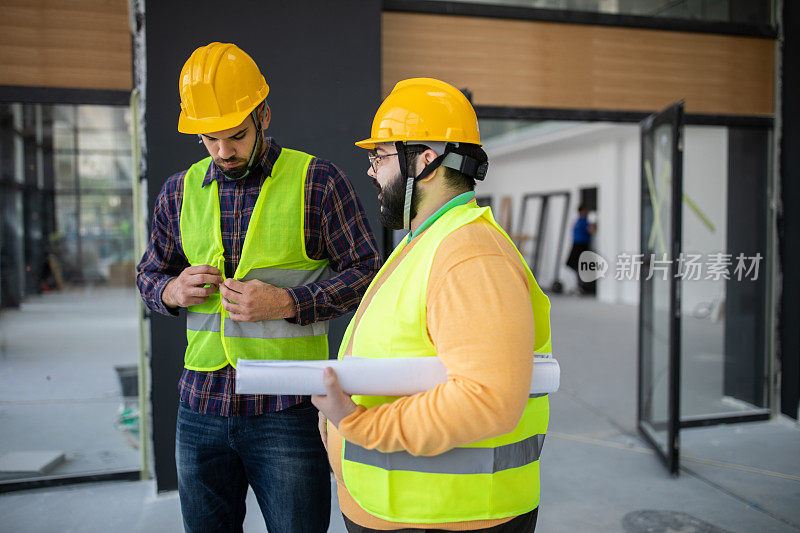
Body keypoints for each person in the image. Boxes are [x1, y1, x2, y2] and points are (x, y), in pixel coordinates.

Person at [135, 42, 381, 533]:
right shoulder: (177, 191)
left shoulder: (318, 182)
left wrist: (289, 302)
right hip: (199, 405)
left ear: (264, 114)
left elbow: (367, 275)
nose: (223, 151)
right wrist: (170, 291)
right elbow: (148, 276)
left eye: (237, 135)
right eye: (209, 139)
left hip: (286, 410)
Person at [311, 78, 552, 532]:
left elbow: (487, 400)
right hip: (410, 509)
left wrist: (357, 423)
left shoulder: (469, 254)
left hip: (447, 517)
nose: (370, 171)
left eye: (379, 158)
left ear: (425, 161)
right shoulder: (430, 241)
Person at [566, 204, 597, 294]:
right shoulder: (583, 221)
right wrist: (595, 225)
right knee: (580, 266)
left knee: (579, 266)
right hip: (580, 246)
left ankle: (581, 285)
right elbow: (592, 231)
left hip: (577, 245)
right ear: (582, 211)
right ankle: (581, 286)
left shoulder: (577, 221)